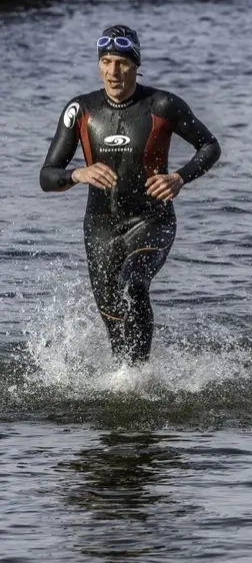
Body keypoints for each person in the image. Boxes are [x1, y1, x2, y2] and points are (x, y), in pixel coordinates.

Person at [40, 25, 221, 365]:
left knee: (133, 283)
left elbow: (210, 146)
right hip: (100, 226)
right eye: (106, 62)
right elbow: (47, 176)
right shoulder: (81, 110)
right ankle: (127, 377)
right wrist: (77, 174)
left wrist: (179, 178)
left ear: (136, 64)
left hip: (152, 219)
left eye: (122, 62)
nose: (113, 72)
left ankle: (137, 378)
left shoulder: (162, 105)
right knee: (112, 317)